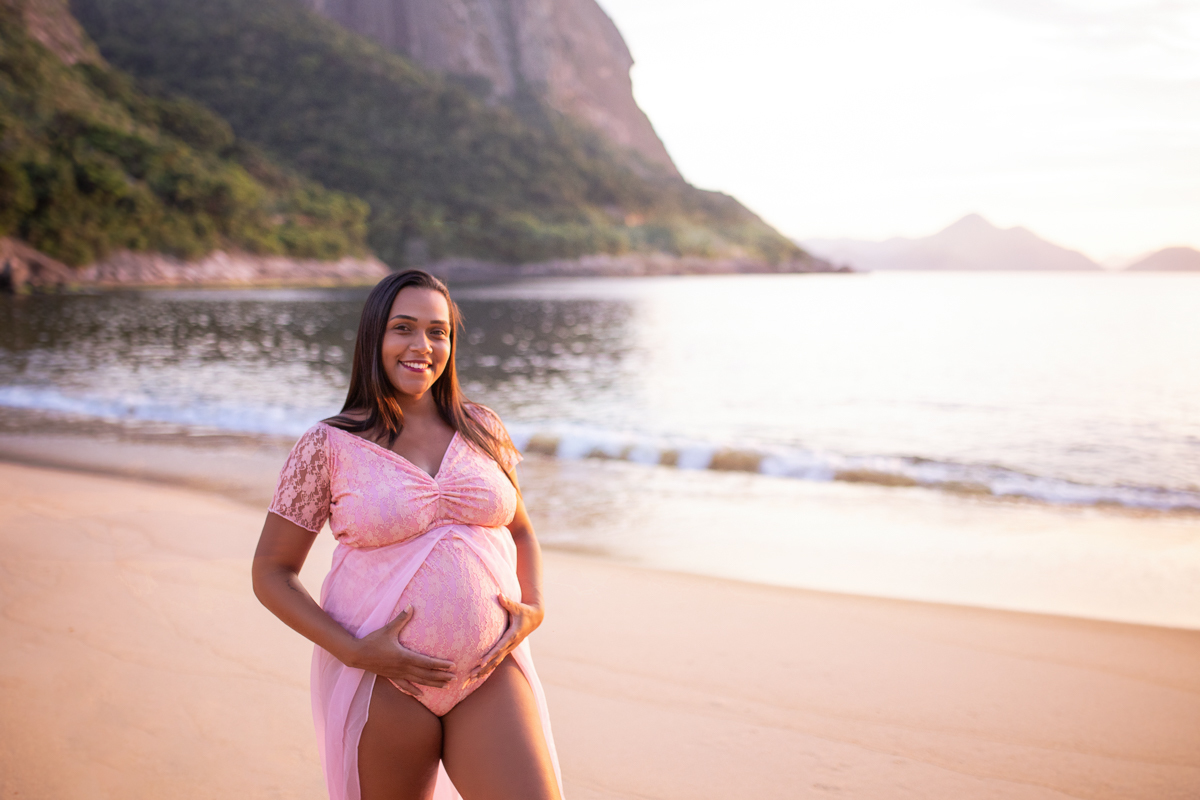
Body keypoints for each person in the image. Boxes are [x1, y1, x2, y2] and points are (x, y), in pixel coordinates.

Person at [252, 270, 562, 800]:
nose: (422, 346)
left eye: (438, 332)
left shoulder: (482, 428)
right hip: (383, 682)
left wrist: (533, 608)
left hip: (489, 672)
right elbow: (271, 573)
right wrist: (353, 651)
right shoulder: (328, 445)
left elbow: (523, 532)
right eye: (404, 328)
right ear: (375, 337)